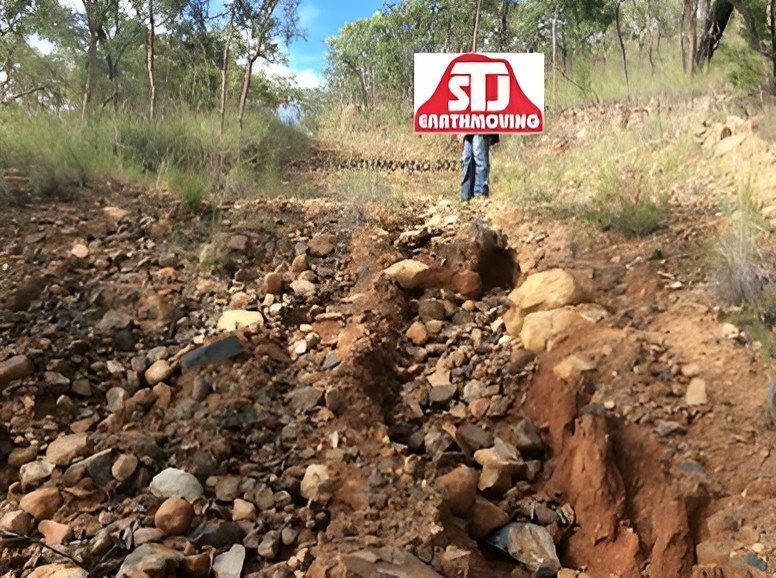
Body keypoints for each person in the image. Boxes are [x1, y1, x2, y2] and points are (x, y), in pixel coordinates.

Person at [460, 133, 499, 202]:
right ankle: (466, 196)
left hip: (481, 130)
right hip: (467, 130)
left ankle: (480, 195)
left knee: (479, 159)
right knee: (466, 160)